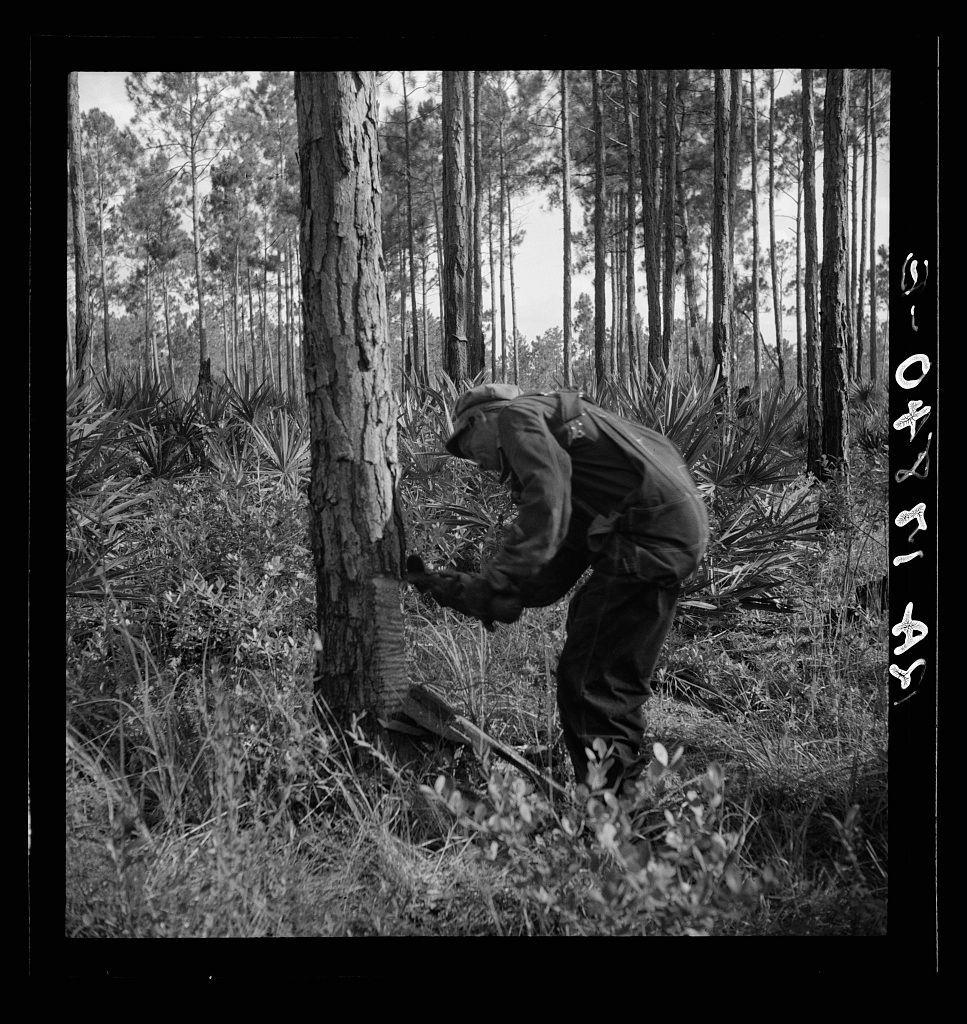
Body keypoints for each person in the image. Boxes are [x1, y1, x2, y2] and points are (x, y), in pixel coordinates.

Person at [441, 383, 709, 793]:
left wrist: (498, 578)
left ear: (483, 418)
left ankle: (611, 810)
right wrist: (500, 594)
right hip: (666, 534)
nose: (477, 464)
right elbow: (565, 551)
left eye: (466, 444)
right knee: (609, 672)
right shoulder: (568, 432)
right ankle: (622, 797)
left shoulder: (517, 417)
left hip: (646, 538)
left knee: (590, 682)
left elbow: (547, 503)